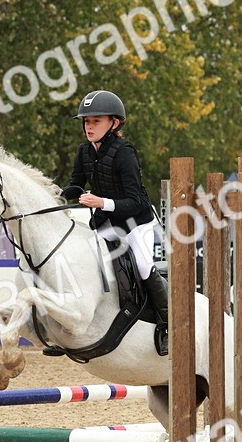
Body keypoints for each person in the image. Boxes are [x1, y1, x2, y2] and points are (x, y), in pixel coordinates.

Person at [58, 90, 169, 355]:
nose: (89, 126)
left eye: (96, 121)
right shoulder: (84, 151)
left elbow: (136, 201)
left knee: (142, 266)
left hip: (135, 223)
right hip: (106, 223)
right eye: (86, 121)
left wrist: (101, 202)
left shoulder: (125, 153)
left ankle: (167, 324)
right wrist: (55, 195)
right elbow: (76, 184)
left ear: (114, 123)